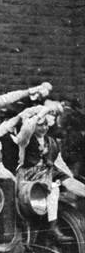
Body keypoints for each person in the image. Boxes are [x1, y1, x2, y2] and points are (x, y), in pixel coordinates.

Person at [15, 103, 85, 241]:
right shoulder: (25, 140)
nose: (44, 128)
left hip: (48, 173)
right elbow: (27, 129)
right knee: (53, 189)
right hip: (29, 176)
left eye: (46, 125)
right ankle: (52, 228)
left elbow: (60, 164)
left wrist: (69, 178)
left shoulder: (51, 141)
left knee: (74, 184)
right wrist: (44, 110)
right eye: (40, 125)